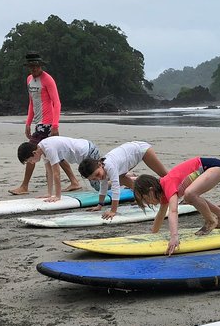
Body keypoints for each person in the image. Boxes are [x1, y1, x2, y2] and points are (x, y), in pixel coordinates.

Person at [133, 158, 220, 255]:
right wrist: (153, 235)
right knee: (189, 197)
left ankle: (211, 220)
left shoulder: (167, 183)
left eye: (145, 199)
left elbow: (173, 211)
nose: (147, 203)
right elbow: (161, 215)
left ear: (151, 190)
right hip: (209, 170)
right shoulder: (163, 193)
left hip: (215, 167)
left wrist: (174, 237)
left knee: (190, 194)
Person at [10, 52, 77, 195]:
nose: (33, 69)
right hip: (38, 122)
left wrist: (55, 125)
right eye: (31, 67)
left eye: (36, 66)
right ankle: (74, 181)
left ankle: (24, 186)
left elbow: (57, 102)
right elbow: (31, 102)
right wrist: (28, 123)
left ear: (40, 66)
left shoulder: (48, 79)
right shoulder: (29, 79)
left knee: (30, 150)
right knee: (54, 152)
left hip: (47, 123)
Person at [78, 141, 168, 220]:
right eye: (94, 179)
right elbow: (103, 187)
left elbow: (115, 189)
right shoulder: (102, 168)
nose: (98, 178)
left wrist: (113, 211)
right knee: (121, 178)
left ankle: (180, 192)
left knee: (165, 175)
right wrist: (100, 205)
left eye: (97, 175)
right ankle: (141, 194)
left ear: (99, 164)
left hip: (142, 150)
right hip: (131, 155)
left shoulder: (109, 166)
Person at [17, 136, 100, 202]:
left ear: (34, 153)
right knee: (97, 182)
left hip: (88, 151)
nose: (32, 163)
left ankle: (111, 185)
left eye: (30, 160)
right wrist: (49, 194)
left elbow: (56, 174)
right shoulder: (42, 150)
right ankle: (110, 183)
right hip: (84, 154)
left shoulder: (48, 149)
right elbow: (49, 173)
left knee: (97, 184)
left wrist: (57, 196)